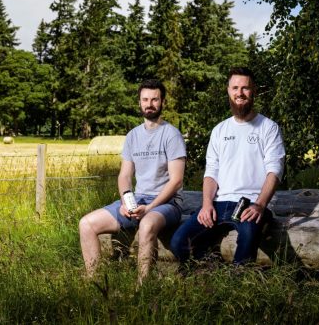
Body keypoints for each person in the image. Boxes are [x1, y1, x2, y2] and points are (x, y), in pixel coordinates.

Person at [170, 67, 285, 268]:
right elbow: (211, 173)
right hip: (219, 203)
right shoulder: (219, 130)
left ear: (254, 91)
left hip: (250, 204)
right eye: (235, 88)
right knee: (178, 241)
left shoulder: (269, 128)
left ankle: (238, 284)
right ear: (228, 91)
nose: (239, 93)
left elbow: (274, 171)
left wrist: (260, 204)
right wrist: (206, 204)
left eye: (245, 88)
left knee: (247, 239)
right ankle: (206, 272)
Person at [79, 79, 187, 283]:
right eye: (145, 99)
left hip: (167, 203)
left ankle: (141, 286)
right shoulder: (132, 136)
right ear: (139, 102)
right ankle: (95, 284)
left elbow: (176, 181)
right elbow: (125, 176)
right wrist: (126, 203)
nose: (150, 104)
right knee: (86, 224)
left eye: (155, 99)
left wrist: (149, 208)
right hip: (139, 199)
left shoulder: (171, 134)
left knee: (146, 224)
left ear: (162, 102)